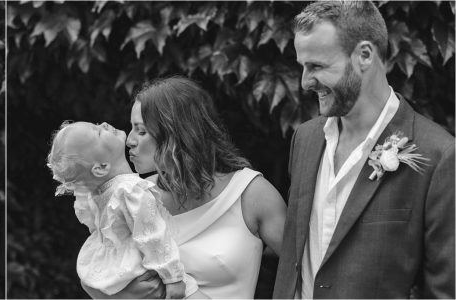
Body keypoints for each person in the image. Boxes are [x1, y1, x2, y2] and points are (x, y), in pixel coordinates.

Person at [273, 1, 455, 298]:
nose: (305, 82)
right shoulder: (304, 139)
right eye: (302, 67)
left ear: (365, 56)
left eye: (317, 66)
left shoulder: (440, 156)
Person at [121, 76, 287, 299]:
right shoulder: (136, 197)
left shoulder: (251, 194)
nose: (129, 141)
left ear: (176, 134)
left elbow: (307, 269)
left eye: (141, 131)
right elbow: (98, 271)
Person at [47, 121, 202, 299]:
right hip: (151, 270)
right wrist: (173, 278)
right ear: (101, 167)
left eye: (97, 124)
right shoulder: (131, 190)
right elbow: (152, 235)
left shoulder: (97, 195)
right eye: (98, 132)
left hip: (120, 275)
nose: (104, 124)